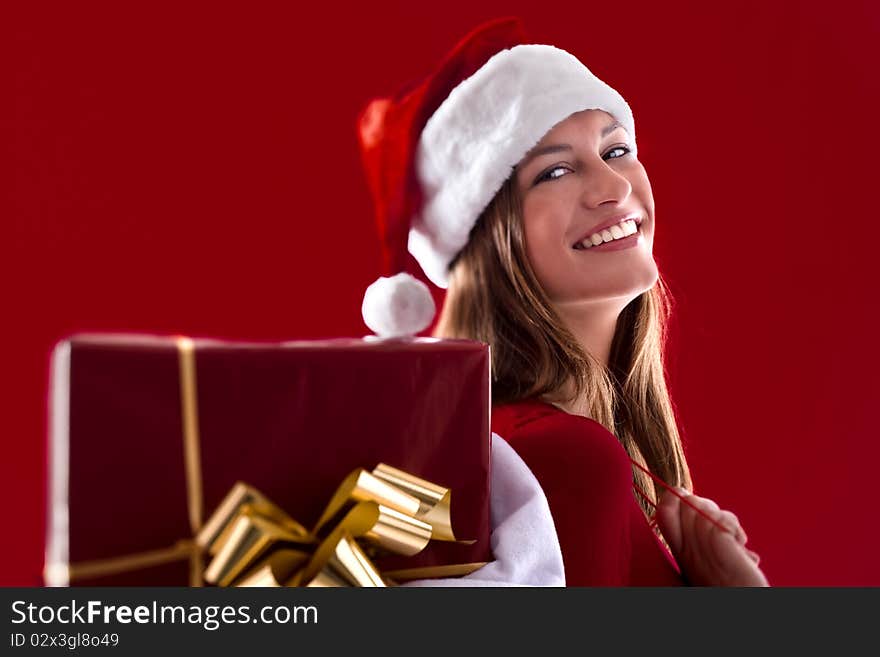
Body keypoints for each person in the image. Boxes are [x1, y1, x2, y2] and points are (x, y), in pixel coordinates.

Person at [358, 17, 768, 586]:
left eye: (616, 149)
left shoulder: (553, 447)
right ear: (491, 243)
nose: (614, 187)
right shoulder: (561, 455)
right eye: (554, 171)